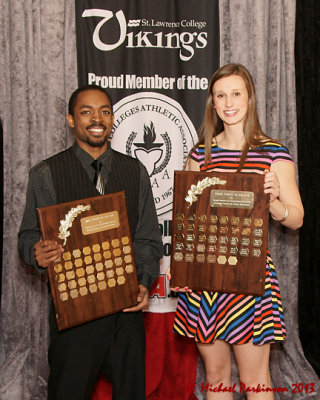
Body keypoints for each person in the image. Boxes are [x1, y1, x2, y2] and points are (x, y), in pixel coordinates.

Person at [167, 64, 304, 399]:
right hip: (205, 279)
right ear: (212, 102)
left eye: (236, 93)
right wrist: (179, 262)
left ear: (249, 98)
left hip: (250, 278)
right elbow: (191, 222)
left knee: (254, 378)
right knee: (215, 375)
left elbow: (297, 218)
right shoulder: (200, 155)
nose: (229, 102)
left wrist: (272, 202)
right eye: (221, 95)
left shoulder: (273, 153)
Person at [18, 85, 163, 400]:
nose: (97, 118)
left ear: (112, 118)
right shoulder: (46, 173)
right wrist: (35, 252)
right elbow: (28, 235)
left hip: (126, 312)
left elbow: (148, 238)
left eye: (104, 111)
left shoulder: (135, 170)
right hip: (75, 314)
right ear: (71, 120)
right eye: (86, 111)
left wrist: (142, 282)